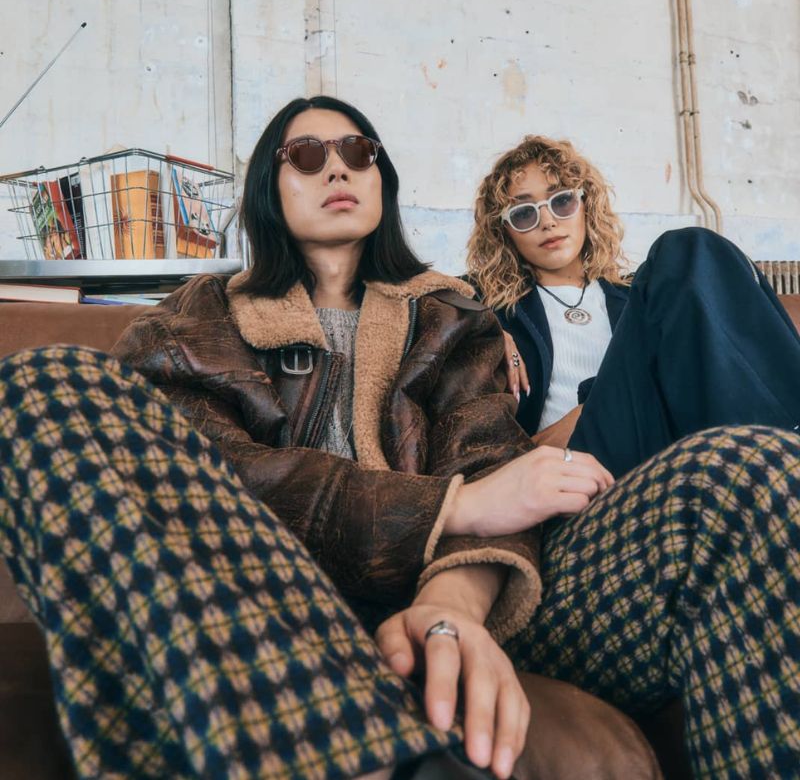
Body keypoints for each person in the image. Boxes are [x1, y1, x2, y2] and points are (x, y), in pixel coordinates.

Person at [1, 102, 798, 780]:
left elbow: (493, 472)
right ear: (268, 188)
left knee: (748, 467)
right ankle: (351, 736)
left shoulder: (453, 320)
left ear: (382, 177)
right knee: (41, 382)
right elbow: (209, 477)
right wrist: (450, 507)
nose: (337, 167)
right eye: (306, 155)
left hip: (464, 595)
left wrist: (450, 608)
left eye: (359, 151)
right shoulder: (193, 320)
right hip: (259, 603)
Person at [466, 133, 800, 474]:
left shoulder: (641, 299)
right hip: (575, 458)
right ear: (504, 231)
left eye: (562, 201)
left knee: (694, 252)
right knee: (682, 251)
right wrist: (479, 321)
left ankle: (777, 448)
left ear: (586, 206)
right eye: (524, 214)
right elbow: (432, 288)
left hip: (656, 441)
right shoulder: (492, 306)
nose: (548, 221)